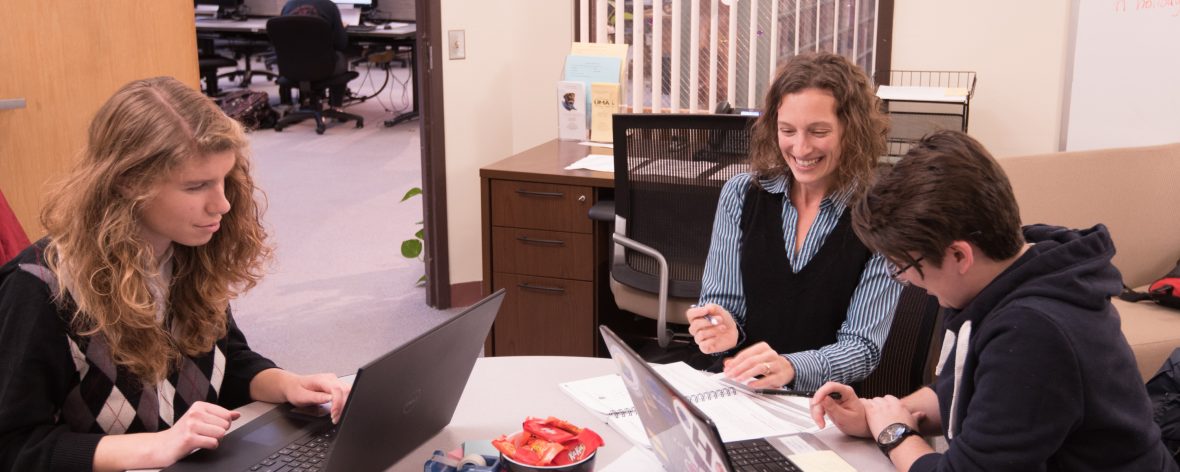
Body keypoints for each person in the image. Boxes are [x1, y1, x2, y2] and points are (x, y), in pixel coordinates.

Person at [0, 77, 351, 471]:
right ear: (128, 182)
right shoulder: (40, 288)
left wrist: (287, 384)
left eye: (223, 179)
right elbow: (13, 446)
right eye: (196, 186)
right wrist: (157, 447)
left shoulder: (186, 249)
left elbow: (226, 362)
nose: (221, 204)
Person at [810, 130, 1178, 471]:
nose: (907, 281)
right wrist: (881, 414)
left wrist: (894, 434)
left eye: (904, 266)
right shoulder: (1013, 276)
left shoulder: (1034, 333)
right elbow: (967, 392)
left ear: (959, 255)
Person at [686, 52, 901, 392]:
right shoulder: (740, 195)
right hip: (737, 390)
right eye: (787, 130)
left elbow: (862, 348)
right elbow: (723, 305)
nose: (800, 148)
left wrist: (790, 368)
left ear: (852, 131)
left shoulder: (881, 216)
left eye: (818, 132)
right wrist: (722, 329)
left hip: (818, 403)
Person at [280, 0, 352, 108]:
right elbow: (341, 43)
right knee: (341, 56)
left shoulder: (288, 6)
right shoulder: (330, 7)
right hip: (324, 69)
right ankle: (336, 106)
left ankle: (288, 103)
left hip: (291, 69)